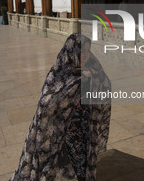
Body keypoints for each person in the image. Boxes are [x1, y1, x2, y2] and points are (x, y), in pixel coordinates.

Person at [9, 34, 111, 181]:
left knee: (84, 163)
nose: (85, 56)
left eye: (88, 51)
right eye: (81, 52)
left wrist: (91, 79)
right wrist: (79, 80)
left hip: (85, 129)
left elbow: (105, 84)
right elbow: (47, 102)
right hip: (64, 131)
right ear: (71, 52)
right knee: (65, 163)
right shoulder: (60, 72)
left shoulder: (91, 71)